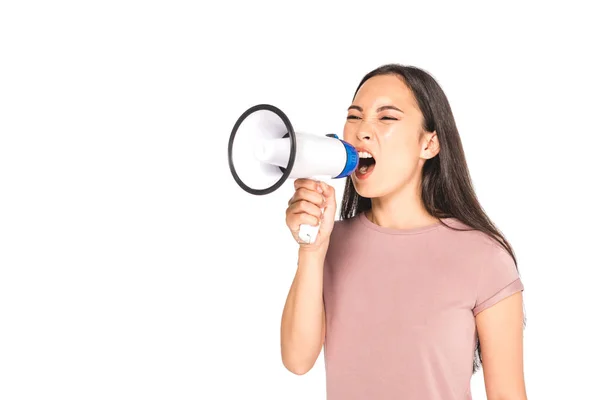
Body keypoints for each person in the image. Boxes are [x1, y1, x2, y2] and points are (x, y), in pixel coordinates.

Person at [280, 64, 527, 399]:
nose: (362, 131)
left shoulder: (484, 257)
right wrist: (310, 250)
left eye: (387, 118)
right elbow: (297, 360)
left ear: (430, 144)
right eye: (354, 116)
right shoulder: (329, 245)